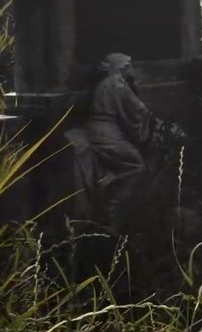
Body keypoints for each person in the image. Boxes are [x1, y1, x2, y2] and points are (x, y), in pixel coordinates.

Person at [75, 53, 185, 231]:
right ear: (123, 68)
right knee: (136, 165)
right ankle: (110, 208)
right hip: (106, 134)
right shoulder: (118, 85)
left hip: (100, 130)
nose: (132, 69)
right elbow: (138, 111)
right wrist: (153, 123)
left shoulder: (106, 84)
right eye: (129, 66)